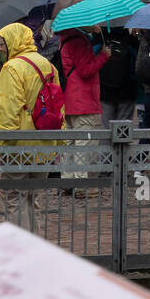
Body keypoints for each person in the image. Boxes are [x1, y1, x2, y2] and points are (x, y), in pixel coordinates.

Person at [0, 21, 64, 229]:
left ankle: (20, 251)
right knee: (34, 198)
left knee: (14, 197)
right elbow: (59, 106)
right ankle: (36, 248)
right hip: (44, 146)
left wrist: (2, 146)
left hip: (18, 148)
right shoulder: (47, 65)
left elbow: (8, 111)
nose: (1, 49)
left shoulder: (12, 68)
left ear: (14, 42)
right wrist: (59, 143)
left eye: (3, 44)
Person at [60, 26, 110, 195]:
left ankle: (67, 182)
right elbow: (85, 70)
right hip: (84, 100)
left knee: (70, 143)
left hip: (71, 100)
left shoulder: (66, 39)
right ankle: (81, 185)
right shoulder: (79, 41)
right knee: (84, 143)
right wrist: (103, 56)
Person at [98, 26, 138, 123]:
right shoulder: (129, 38)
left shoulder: (101, 37)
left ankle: (106, 139)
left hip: (105, 90)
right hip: (127, 90)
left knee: (106, 128)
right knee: (123, 129)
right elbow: (137, 60)